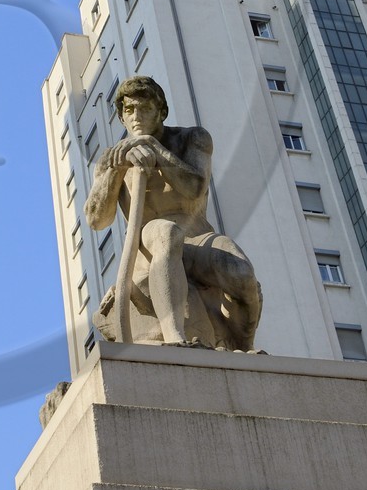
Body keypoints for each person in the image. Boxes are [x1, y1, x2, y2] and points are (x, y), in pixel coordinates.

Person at [85, 75, 261, 351]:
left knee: (242, 274)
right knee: (166, 232)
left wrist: (155, 150)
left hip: (198, 237)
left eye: (145, 109)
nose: (136, 117)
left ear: (161, 112)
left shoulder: (193, 138)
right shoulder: (112, 158)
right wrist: (115, 171)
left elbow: (195, 188)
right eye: (129, 111)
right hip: (150, 245)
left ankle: (244, 343)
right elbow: (96, 220)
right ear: (121, 118)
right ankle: (175, 337)